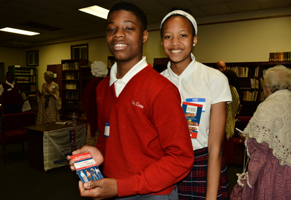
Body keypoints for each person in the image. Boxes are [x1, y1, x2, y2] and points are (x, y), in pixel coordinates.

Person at [67, 2, 194, 200]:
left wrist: (122, 187)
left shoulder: (161, 89)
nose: (118, 34)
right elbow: (107, 134)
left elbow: (181, 158)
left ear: (144, 36)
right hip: (113, 187)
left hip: (153, 194)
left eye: (128, 28)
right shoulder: (102, 88)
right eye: (111, 29)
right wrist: (99, 152)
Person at [160, 8, 232, 199]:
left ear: (194, 39)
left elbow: (215, 148)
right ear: (161, 42)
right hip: (165, 165)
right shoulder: (156, 82)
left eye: (183, 35)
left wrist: (211, 196)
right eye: (168, 36)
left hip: (203, 164)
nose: (175, 42)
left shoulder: (214, 79)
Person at [231, 65, 291, 200]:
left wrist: (251, 178)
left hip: (274, 171)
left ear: (268, 87)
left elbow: (260, 147)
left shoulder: (267, 106)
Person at [82, 61, 108, 146]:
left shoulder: (92, 83)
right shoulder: (107, 82)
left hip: (94, 119)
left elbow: (86, 100)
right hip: (105, 120)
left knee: (93, 143)